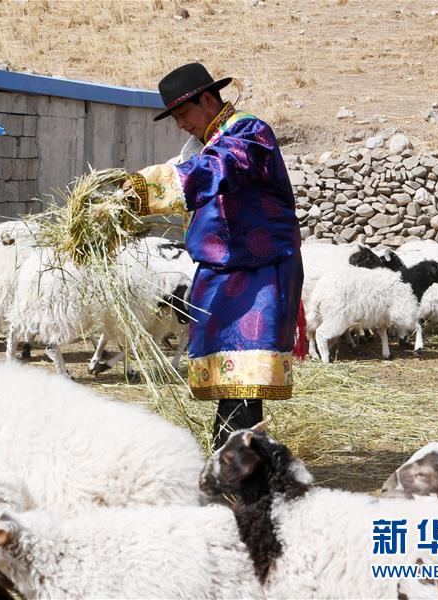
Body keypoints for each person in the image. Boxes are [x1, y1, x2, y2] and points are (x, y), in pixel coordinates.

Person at [122, 63, 305, 450]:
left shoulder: (248, 133)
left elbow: (216, 169)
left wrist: (146, 187)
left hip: (259, 273)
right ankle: (232, 453)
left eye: (183, 115)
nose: (180, 126)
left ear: (207, 100)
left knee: (245, 375)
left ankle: (238, 460)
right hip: (223, 272)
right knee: (231, 376)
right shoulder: (207, 142)